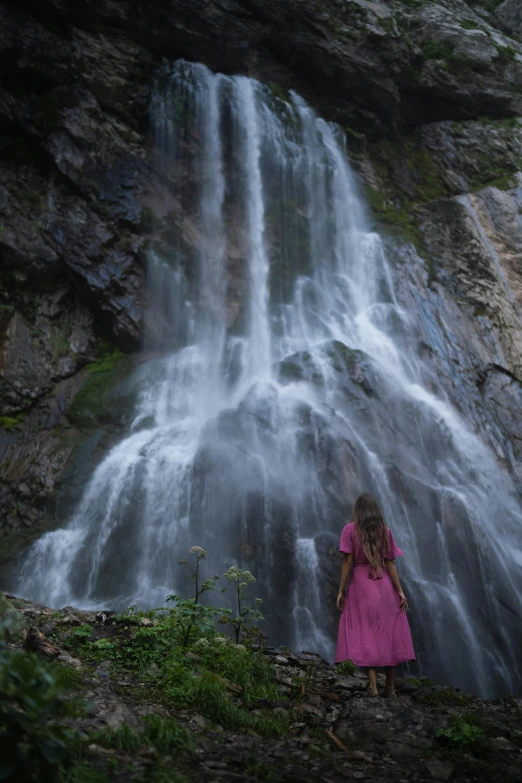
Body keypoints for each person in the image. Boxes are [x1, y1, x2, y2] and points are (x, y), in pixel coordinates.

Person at [335, 492, 416, 697]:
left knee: (366, 634)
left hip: (362, 586)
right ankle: (390, 686)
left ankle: (372, 686)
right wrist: (399, 590)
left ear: (358, 511)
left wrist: (340, 590)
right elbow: (390, 563)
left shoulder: (349, 530)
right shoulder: (384, 531)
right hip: (385, 585)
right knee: (389, 634)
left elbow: (347, 562)